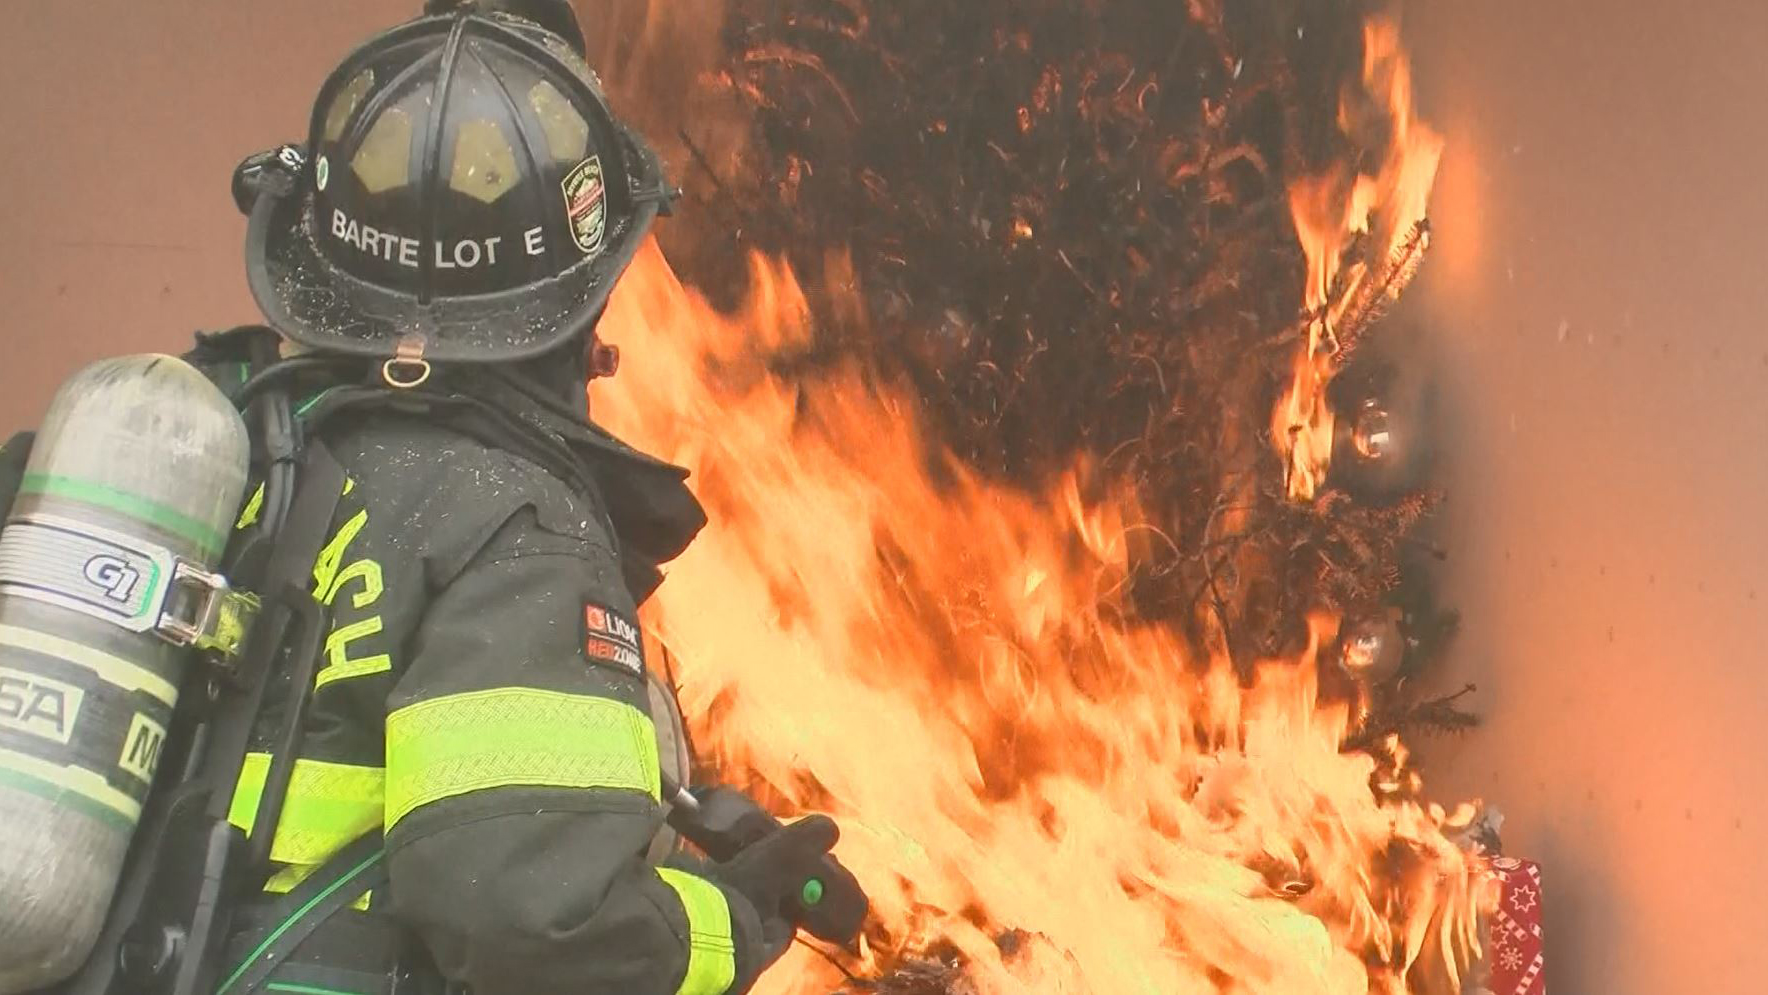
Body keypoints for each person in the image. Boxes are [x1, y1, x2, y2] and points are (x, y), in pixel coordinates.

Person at [5, 3, 842, 992]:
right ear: (583, 301)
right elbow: (537, 925)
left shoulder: (206, 437)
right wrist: (731, 922)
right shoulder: (512, 527)